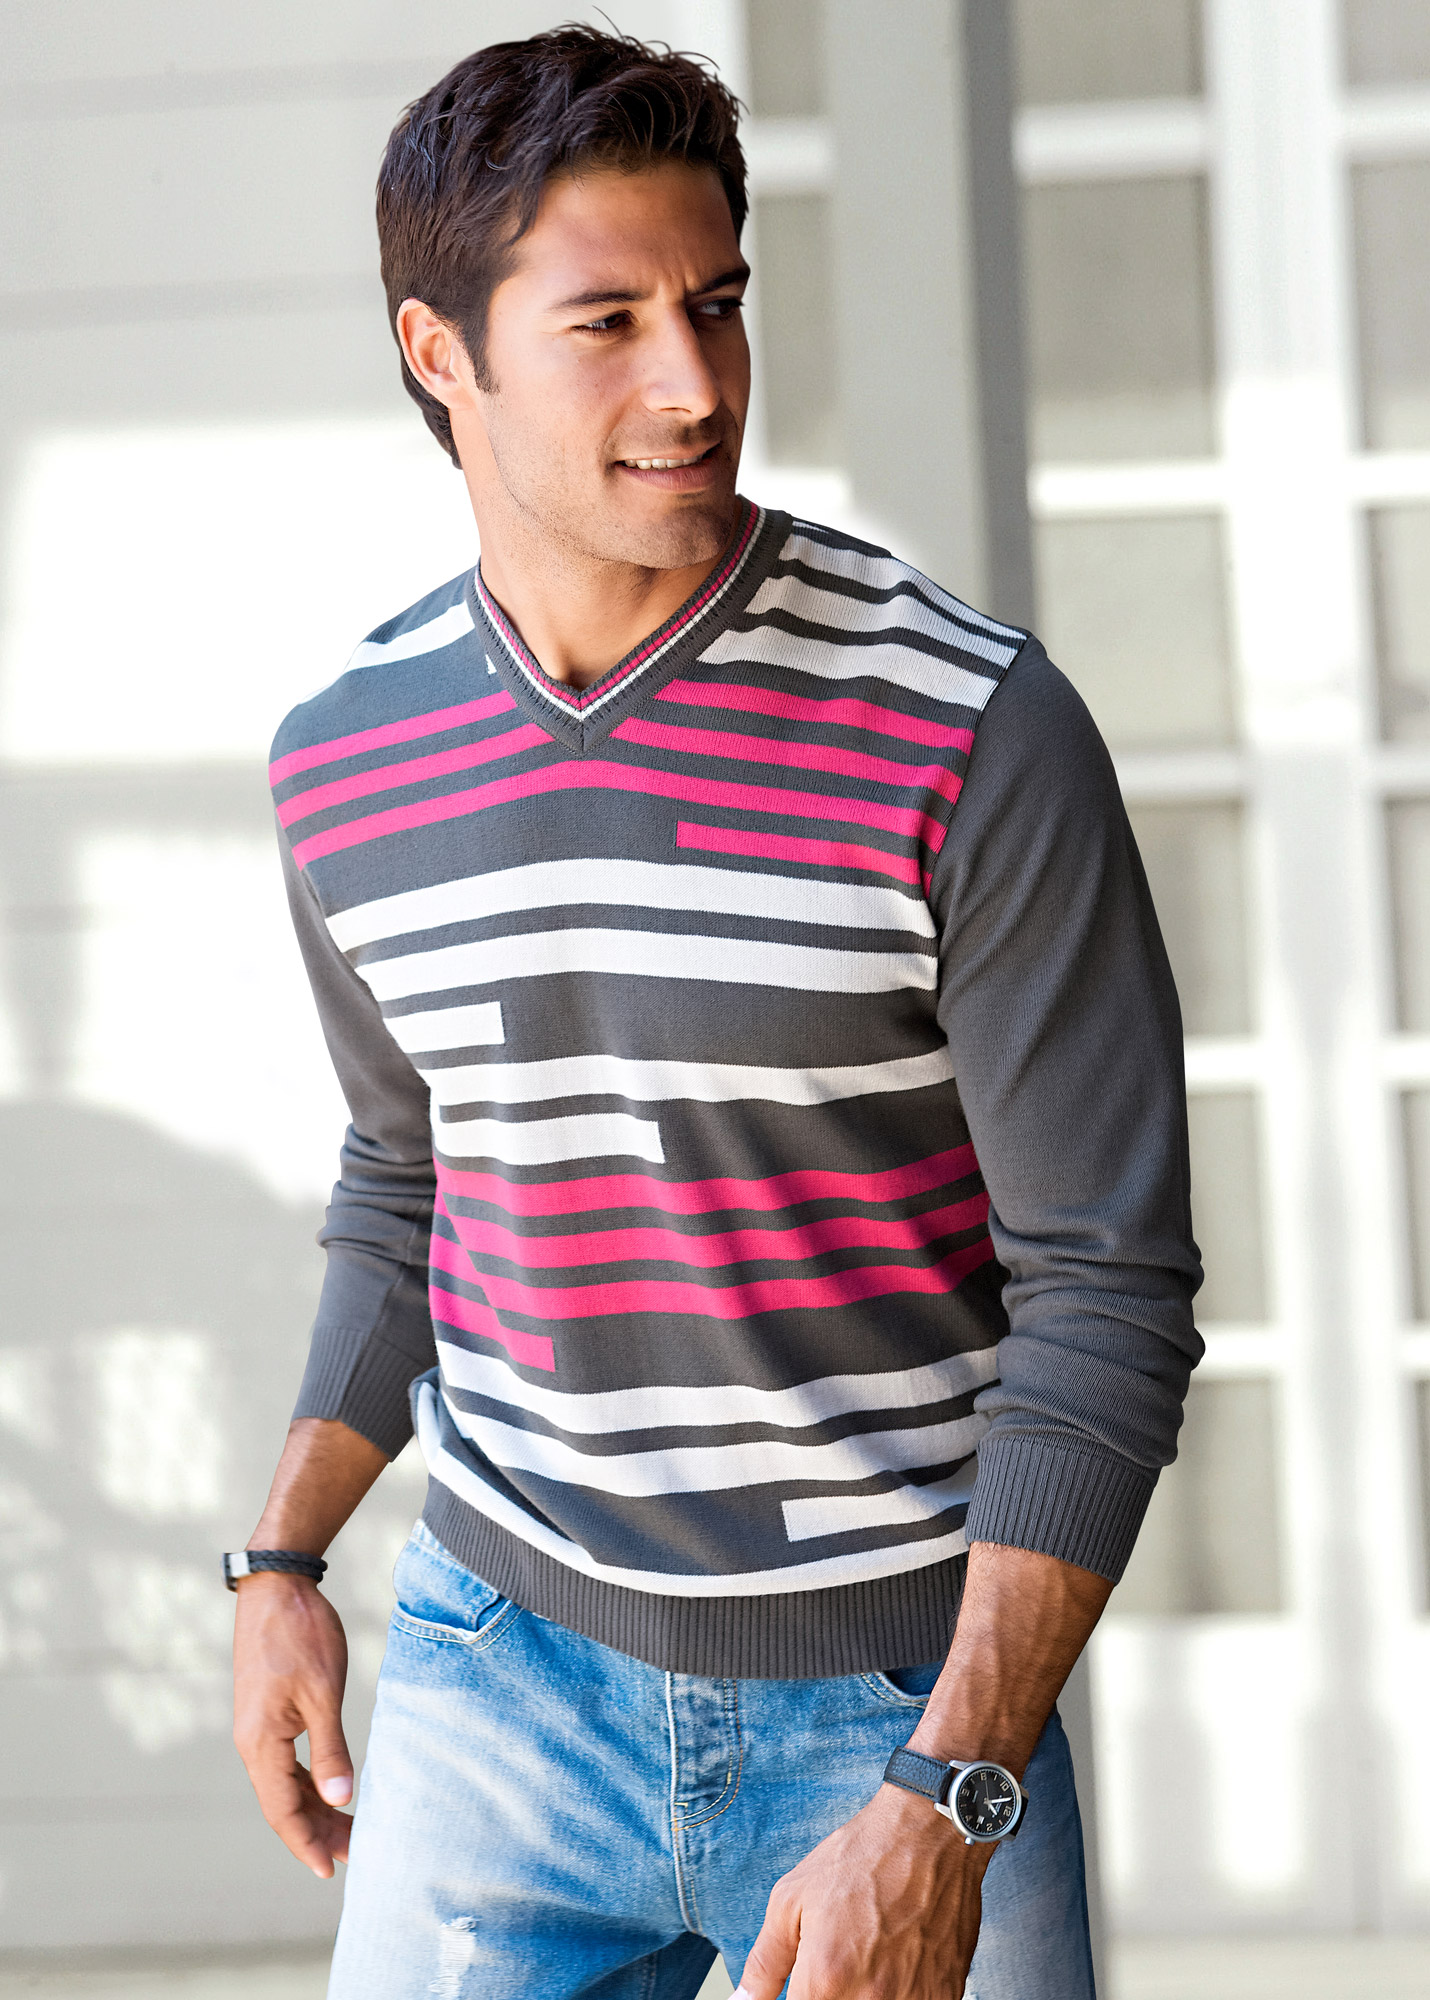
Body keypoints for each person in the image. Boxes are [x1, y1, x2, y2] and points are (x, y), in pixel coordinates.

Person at [229, 25, 1201, 1999]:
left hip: (903, 1713)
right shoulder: (346, 764)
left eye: (718, 304)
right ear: (440, 354)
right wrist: (283, 1559)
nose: (694, 383)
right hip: (496, 1691)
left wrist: (949, 1799)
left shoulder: (967, 725)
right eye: (608, 323)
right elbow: (410, 1177)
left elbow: (1106, 1290)